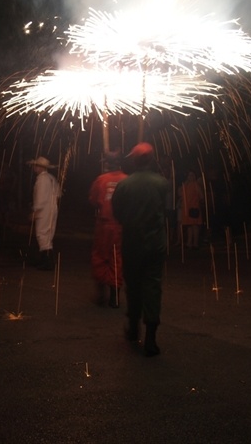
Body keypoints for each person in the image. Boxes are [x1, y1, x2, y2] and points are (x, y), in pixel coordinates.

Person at [111, 142, 169, 357]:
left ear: (134, 161)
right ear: (152, 160)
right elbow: (164, 210)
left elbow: (117, 213)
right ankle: (151, 337)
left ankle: (134, 327)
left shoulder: (124, 185)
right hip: (155, 244)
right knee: (153, 286)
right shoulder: (162, 183)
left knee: (134, 286)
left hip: (132, 243)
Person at [88, 151, 127, 308]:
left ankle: (101, 294)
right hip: (121, 226)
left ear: (107, 164)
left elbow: (93, 200)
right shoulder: (126, 179)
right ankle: (114, 297)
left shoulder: (101, 179)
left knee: (100, 257)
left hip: (104, 225)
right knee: (117, 258)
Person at [28, 156, 60, 271]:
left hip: (44, 210)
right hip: (52, 208)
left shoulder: (41, 180)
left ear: (40, 167)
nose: (34, 167)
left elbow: (40, 198)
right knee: (48, 234)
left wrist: (35, 211)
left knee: (41, 234)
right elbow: (58, 194)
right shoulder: (51, 178)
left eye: (36, 166)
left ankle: (47, 262)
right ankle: (47, 261)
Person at [179, 170, 203, 249]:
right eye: (189, 175)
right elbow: (180, 193)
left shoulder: (196, 185)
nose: (190, 177)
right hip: (186, 209)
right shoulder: (186, 185)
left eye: (192, 175)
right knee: (189, 226)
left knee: (195, 226)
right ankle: (189, 243)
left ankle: (195, 243)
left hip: (194, 208)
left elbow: (201, 196)